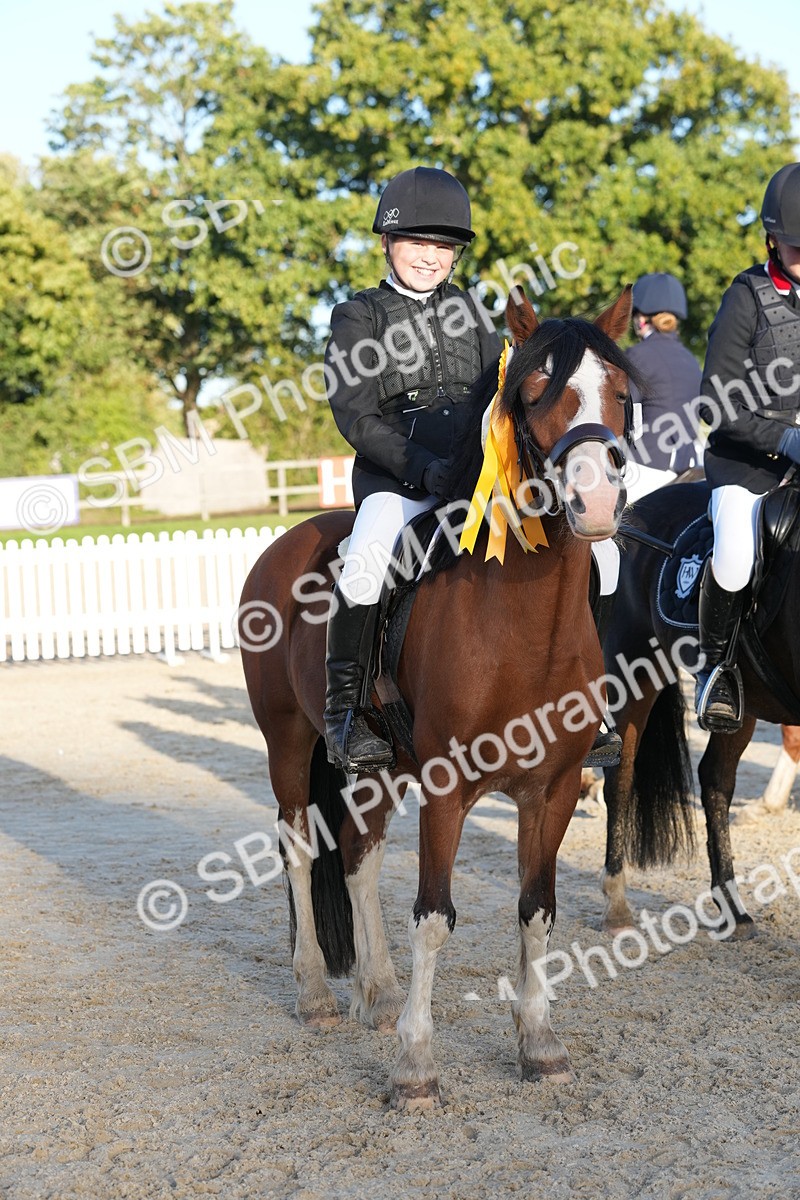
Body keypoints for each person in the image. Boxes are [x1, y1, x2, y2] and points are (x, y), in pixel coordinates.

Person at [322, 166, 502, 771]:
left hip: (475, 478)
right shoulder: (357, 316)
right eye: (419, 243)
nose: (431, 257)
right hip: (397, 480)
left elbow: (501, 397)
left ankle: (590, 701)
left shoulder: (476, 312)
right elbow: (356, 416)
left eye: (444, 247)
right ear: (387, 243)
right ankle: (345, 713)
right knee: (367, 560)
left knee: (584, 551)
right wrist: (425, 471)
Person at [695, 161, 800, 732]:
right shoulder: (748, 297)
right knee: (735, 554)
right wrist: (785, 437)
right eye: (796, 247)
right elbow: (716, 400)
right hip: (748, 467)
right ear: (771, 242)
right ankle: (718, 671)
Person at [623, 272, 703, 503]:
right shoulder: (690, 358)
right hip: (689, 465)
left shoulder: (638, 355)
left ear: (641, 318)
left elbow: (622, 414)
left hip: (647, 467)